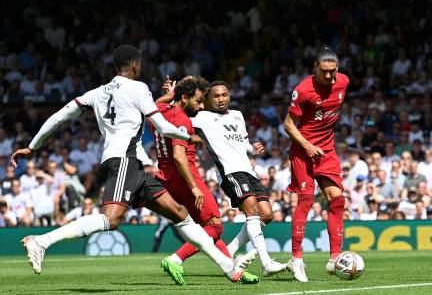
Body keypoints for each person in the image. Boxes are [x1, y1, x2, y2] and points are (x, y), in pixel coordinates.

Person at [11, 45, 256, 284]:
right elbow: (162, 126)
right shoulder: (138, 88)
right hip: (124, 160)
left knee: (180, 214)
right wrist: (187, 136)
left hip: (134, 164)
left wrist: (33, 146)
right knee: (111, 220)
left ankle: (229, 269)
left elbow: (60, 115)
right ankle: (42, 241)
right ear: (136, 66)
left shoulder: (95, 93)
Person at [150, 77, 260, 285]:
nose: (201, 106)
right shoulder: (182, 119)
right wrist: (194, 187)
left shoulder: (160, 113)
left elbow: (156, 104)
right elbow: (179, 156)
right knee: (215, 227)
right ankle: (175, 259)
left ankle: (233, 270)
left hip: (167, 178)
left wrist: (171, 95)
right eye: (199, 101)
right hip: (185, 177)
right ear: (185, 98)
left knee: (208, 229)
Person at [188, 80, 287, 276]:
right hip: (229, 172)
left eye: (224, 95)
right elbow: (176, 122)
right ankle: (266, 263)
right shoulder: (201, 117)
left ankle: (230, 250)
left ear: (230, 96)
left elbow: (243, 142)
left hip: (248, 170)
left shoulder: (237, 115)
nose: (221, 99)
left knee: (266, 214)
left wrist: (253, 148)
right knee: (252, 211)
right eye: (215, 96)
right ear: (207, 99)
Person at [283, 47, 349, 282]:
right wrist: (308, 146)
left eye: (333, 71)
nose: (329, 76)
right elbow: (288, 125)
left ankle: (335, 258)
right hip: (303, 151)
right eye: (324, 72)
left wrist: (319, 146)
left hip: (327, 150)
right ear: (315, 68)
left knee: (338, 200)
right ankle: (297, 259)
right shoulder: (303, 90)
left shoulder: (343, 82)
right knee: (307, 199)